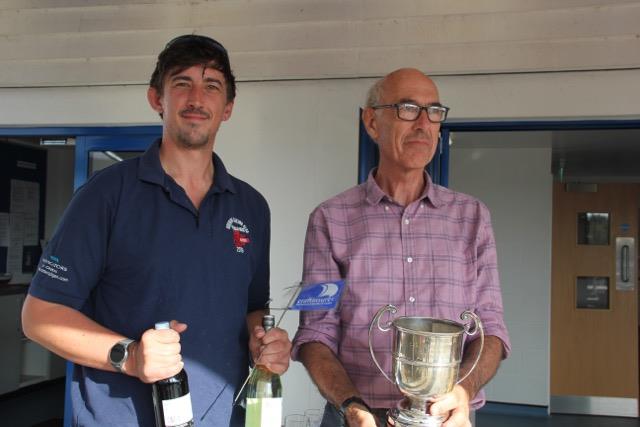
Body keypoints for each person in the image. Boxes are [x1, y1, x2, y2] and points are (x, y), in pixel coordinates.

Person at [21, 34, 291, 426]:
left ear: (228, 107)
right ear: (156, 99)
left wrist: (263, 341)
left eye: (212, 86)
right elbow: (39, 316)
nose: (197, 98)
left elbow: (253, 307)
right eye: (182, 83)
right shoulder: (106, 195)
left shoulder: (251, 206)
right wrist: (129, 356)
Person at [291, 68, 510, 427]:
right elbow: (316, 332)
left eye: (434, 112)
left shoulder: (472, 218)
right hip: (356, 417)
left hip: (445, 419)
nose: (424, 123)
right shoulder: (330, 219)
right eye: (408, 108)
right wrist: (352, 406)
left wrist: (463, 391)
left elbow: (491, 328)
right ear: (372, 122)